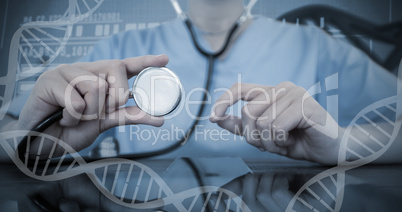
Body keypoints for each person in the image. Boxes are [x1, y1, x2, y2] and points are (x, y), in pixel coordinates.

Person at [1, 0, 401, 164]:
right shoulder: (120, 50)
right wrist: (27, 136)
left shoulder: (315, 47)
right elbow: (10, 138)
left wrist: (343, 143)